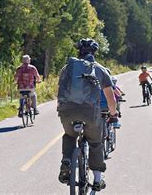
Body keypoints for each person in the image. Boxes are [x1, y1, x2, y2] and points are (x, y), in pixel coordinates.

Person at [57, 38, 118, 191]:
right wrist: (113, 113)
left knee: (70, 136)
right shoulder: (99, 68)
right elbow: (110, 97)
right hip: (90, 113)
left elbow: (60, 92)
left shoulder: (67, 68)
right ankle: (97, 179)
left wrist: (62, 109)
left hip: (66, 111)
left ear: (79, 52)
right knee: (95, 143)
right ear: (94, 52)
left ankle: (66, 161)